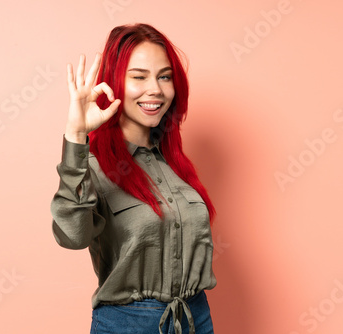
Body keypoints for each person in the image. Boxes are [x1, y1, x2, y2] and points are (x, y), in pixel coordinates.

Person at [51, 23, 217, 334]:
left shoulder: (175, 164)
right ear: (114, 82)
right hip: (129, 325)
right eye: (139, 77)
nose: (155, 89)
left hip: (196, 318)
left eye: (164, 76)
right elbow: (72, 237)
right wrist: (76, 135)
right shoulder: (91, 164)